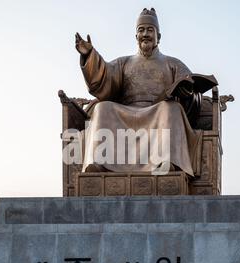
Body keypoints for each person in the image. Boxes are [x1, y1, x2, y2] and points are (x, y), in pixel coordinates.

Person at [75, 8, 216, 176]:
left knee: (170, 108)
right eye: (141, 30)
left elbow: (191, 86)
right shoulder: (124, 63)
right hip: (126, 112)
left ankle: (167, 162)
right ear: (136, 36)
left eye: (150, 30)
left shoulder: (173, 63)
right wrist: (89, 54)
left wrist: (188, 93)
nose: (145, 34)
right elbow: (103, 77)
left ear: (159, 36)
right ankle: (98, 163)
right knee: (102, 108)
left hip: (158, 113)